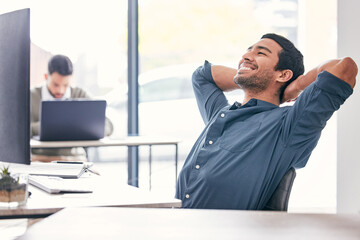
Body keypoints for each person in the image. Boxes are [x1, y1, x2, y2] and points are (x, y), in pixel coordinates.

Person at [176, 33, 357, 210]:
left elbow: (344, 68)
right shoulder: (220, 112)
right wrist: (250, 74)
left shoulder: (288, 127)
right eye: (248, 51)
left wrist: (296, 86)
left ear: (283, 74)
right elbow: (202, 76)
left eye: (260, 53)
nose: (246, 56)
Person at [30, 54, 113, 162]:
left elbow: (108, 125)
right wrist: (44, 127)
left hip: (75, 159)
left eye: (65, 85)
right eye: (55, 85)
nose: (60, 91)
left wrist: (82, 127)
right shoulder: (30, 96)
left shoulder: (80, 94)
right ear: (46, 77)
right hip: (41, 159)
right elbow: (18, 130)